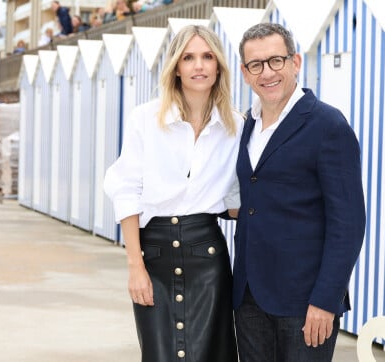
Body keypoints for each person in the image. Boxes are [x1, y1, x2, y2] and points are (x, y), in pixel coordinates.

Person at [103, 25, 241, 362]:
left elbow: (238, 200)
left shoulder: (234, 127)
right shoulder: (146, 119)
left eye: (208, 57)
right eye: (188, 57)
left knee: (211, 354)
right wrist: (135, 265)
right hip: (154, 254)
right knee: (160, 354)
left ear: (219, 65)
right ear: (175, 66)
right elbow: (126, 189)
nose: (199, 66)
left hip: (208, 257)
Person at [233, 22, 366, 362]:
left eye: (275, 61)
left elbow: (348, 224)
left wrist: (326, 300)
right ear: (245, 73)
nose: (267, 73)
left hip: (305, 301)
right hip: (249, 296)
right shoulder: (247, 125)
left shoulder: (327, 125)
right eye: (256, 65)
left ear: (295, 62)